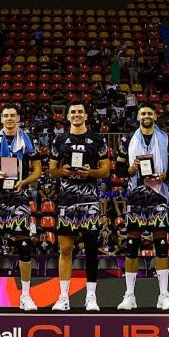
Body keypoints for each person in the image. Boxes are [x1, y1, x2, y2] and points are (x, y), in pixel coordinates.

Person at [0, 104, 42, 311]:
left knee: (24, 245)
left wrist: (25, 182)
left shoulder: (28, 140)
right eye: (6, 115)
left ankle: (26, 296)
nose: (9, 118)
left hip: (19, 195)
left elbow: (37, 170)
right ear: (1, 119)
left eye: (12, 115)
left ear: (18, 118)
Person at [115, 102, 169, 311]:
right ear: (138, 117)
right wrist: (131, 169)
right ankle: (129, 295)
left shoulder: (166, 139)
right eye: (143, 113)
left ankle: (163, 295)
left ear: (155, 116)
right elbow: (119, 169)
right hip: (136, 196)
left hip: (159, 194)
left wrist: (166, 175)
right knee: (132, 245)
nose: (146, 116)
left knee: (161, 245)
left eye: (150, 113)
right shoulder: (127, 140)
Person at [49, 100, 110, 311]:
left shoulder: (97, 139)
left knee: (91, 250)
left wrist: (90, 172)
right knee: (65, 249)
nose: (76, 114)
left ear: (86, 116)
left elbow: (106, 170)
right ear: (67, 116)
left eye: (80, 112)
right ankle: (63, 297)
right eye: (73, 112)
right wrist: (62, 171)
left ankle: (91, 297)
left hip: (89, 201)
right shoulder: (59, 139)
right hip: (67, 201)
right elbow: (52, 170)